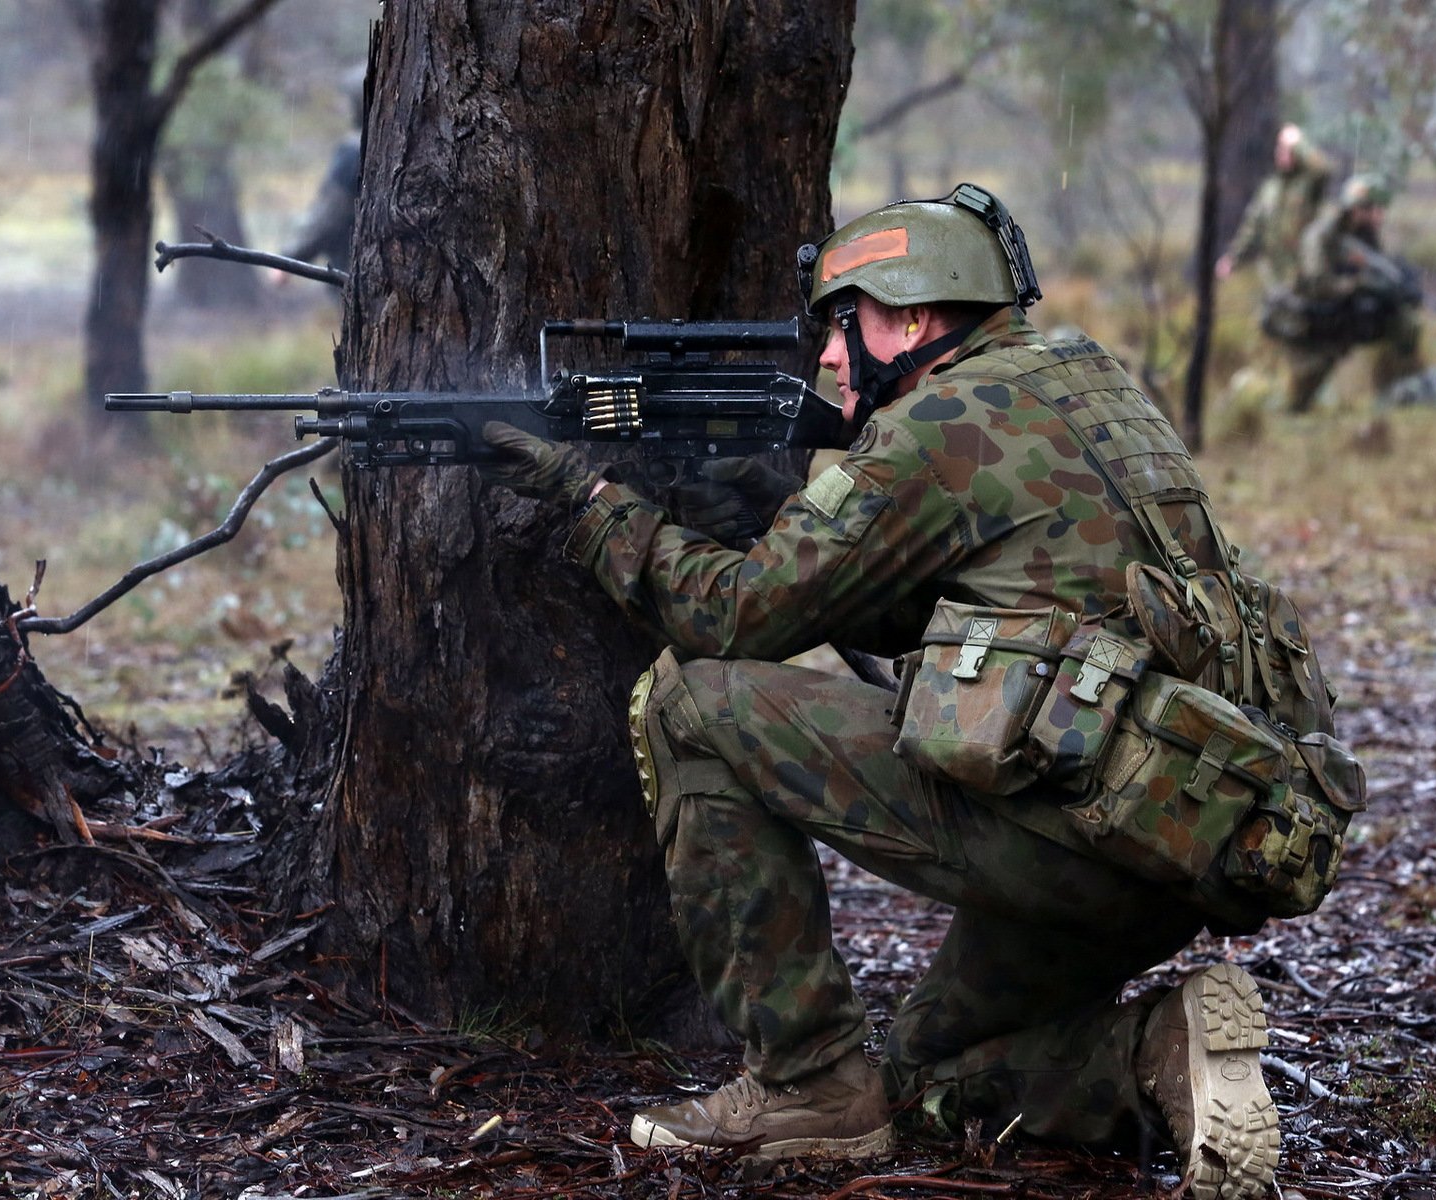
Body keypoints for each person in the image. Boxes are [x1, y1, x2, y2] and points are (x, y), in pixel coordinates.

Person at [476, 185, 1339, 1200]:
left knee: (691, 701)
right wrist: (760, 514)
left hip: (1062, 835)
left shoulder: (932, 424)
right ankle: (1155, 1048)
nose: (830, 358)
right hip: (1178, 849)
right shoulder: (1089, 384)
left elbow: (735, 622)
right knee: (929, 1082)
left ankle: (801, 1083)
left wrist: (591, 505)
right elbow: (961, 597)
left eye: (844, 325)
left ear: (915, 317)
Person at [1265, 174, 1424, 412]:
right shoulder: (1321, 237)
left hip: (1341, 315)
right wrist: (1356, 284)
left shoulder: (1363, 237)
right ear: (1356, 210)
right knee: (1298, 394)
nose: (1379, 216)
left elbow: (1378, 275)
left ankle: (1400, 395)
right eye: (1373, 209)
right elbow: (1317, 285)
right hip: (1308, 320)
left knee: (1404, 322)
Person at [1217, 124, 1333, 291]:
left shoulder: (1308, 183)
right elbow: (1251, 227)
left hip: (1301, 272)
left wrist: (1299, 143)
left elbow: (1323, 170)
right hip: (1272, 274)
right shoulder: (1269, 189)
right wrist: (1232, 258)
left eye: (1287, 149)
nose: (1281, 152)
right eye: (1279, 148)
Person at [281, 69, 364, 272]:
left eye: (346, 99)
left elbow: (329, 214)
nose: (341, 106)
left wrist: (290, 258)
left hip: (356, 273)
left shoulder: (354, 152)